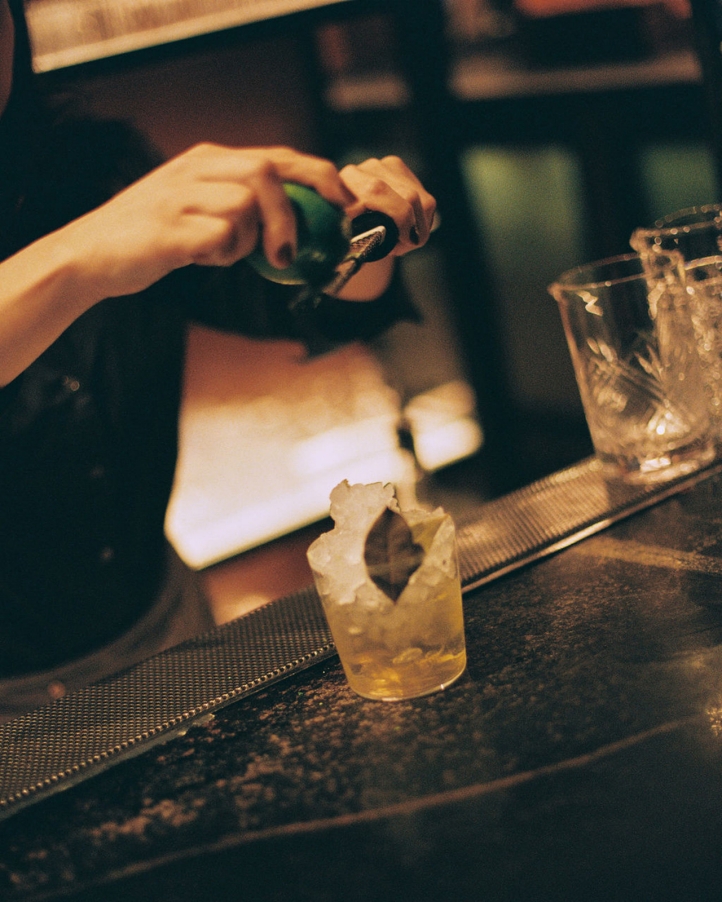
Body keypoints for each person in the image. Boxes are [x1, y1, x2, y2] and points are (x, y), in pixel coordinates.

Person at [0, 0, 436, 719]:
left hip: (166, 633)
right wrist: (82, 256)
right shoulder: (100, 222)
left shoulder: (92, 166)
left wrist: (360, 235)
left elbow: (290, 298)